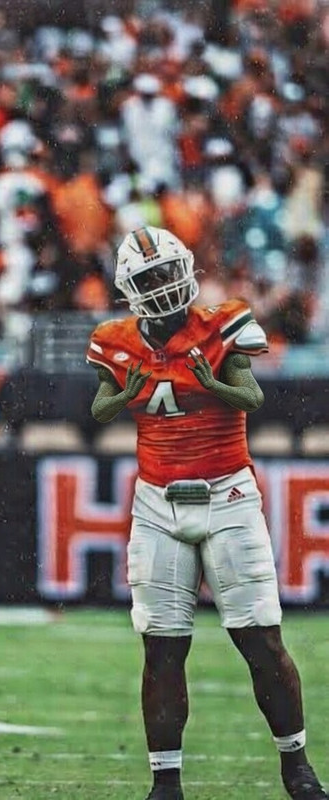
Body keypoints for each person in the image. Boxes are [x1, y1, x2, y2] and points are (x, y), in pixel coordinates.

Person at [86, 226, 327, 800]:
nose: (164, 284)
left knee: (260, 638)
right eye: (151, 277)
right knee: (162, 646)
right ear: (130, 288)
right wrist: (126, 393)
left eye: (169, 271)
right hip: (157, 500)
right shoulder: (113, 340)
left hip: (228, 495)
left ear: (187, 268)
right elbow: (100, 409)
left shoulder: (223, 323)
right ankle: (165, 782)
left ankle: (296, 766)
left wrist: (212, 381)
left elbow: (253, 398)